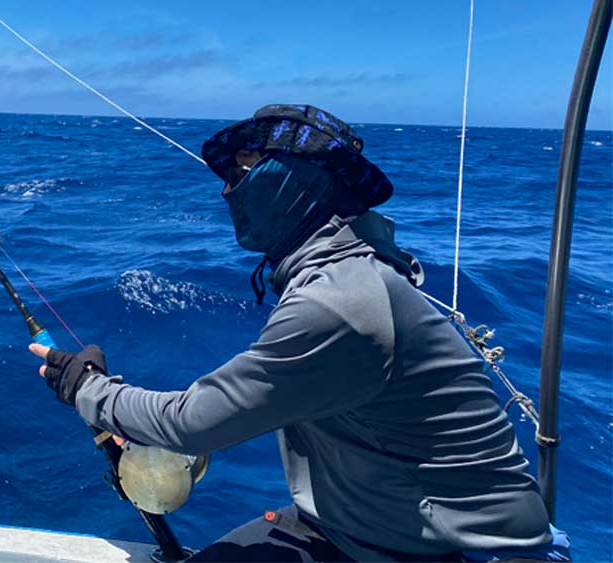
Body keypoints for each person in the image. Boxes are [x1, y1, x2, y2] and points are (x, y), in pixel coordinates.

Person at [28, 104, 571, 562]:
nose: (225, 192)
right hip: (363, 533)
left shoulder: (339, 302)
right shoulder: (342, 274)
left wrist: (87, 387)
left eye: (241, 171)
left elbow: (192, 423)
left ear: (294, 177)